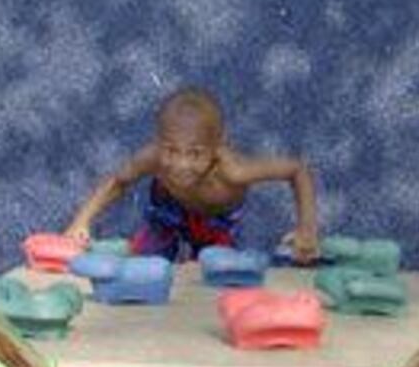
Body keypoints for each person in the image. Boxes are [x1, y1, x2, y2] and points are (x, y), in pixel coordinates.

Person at [63, 87, 321, 263]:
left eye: (195, 153)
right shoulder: (153, 157)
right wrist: (80, 222)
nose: (180, 164)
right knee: (147, 263)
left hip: (216, 222)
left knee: (211, 278)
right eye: (171, 150)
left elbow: (297, 170)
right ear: (158, 141)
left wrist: (306, 230)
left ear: (217, 147)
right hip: (168, 210)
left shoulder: (234, 170)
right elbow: (118, 182)